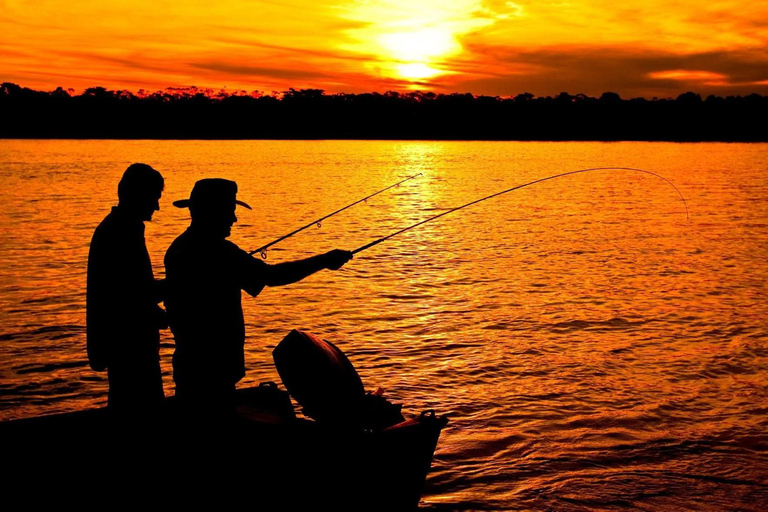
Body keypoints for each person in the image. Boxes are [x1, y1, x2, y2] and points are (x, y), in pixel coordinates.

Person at [164, 178, 352, 409]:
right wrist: (324, 260)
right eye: (229, 211)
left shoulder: (179, 247)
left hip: (190, 365)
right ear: (211, 211)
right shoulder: (219, 252)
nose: (234, 218)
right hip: (212, 372)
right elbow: (272, 276)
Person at [86, 163, 167, 412]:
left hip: (122, 345)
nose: (157, 206)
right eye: (153, 197)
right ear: (136, 194)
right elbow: (132, 297)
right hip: (130, 347)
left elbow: (135, 289)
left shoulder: (116, 228)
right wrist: (166, 309)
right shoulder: (121, 233)